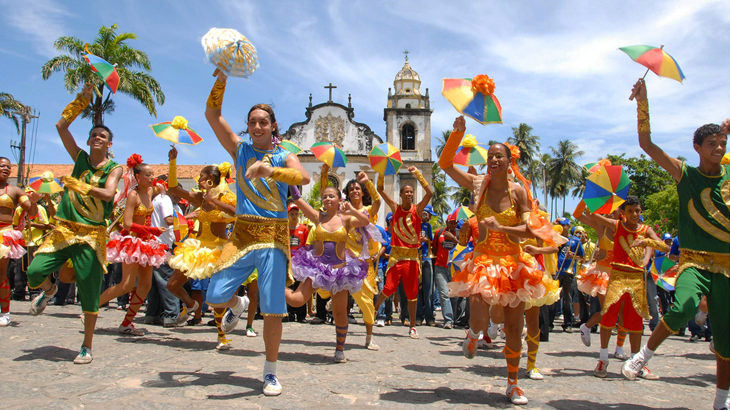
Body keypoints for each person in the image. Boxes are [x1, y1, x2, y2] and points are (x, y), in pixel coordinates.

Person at [621, 79, 729, 410]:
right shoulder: (685, 174)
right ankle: (643, 355)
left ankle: (721, 399)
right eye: (712, 143)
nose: (719, 148)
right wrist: (643, 103)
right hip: (695, 261)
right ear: (697, 147)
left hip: (727, 266)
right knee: (682, 307)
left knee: (726, 337)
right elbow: (647, 144)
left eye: (723, 142)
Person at [204, 70, 310, 396]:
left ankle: (270, 371)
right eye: (253, 122)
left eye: (264, 121)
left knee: (274, 308)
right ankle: (237, 305)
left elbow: (303, 179)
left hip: (275, 238)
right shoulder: (239, 151)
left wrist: (270, 169)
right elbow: (212, 114)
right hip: (243, 234)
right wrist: (221, 78)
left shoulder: (284, 155)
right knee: (214, 295)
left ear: (273, 126)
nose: (258, 126)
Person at [440, 115, 547, 405]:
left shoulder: (519, 192)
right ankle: (473, 334)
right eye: (490, 156)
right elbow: (446, 165)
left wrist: (504, 228)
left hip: (513, 263)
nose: (493, 160)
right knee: (478, 317)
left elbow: (530, 228)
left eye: (499, 156)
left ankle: (513, 384)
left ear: (509, 161)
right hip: (484, 261)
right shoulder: (478, 185)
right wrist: (456, 135)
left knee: (514, 327)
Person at [26, 83, 123, 364]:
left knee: (90, 294)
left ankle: (87, 345)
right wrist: (82, 99)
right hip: (65, 230)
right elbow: (60, 127)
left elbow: (108, 193)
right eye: (94, 134)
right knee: (34, 271)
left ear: (109, 143)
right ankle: (50, 289)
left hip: (91, 236)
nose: (97, 138)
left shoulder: (112, 168)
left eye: (102, 136)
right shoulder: (79, 157)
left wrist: (80, 187)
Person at [165, 146, 242, 350]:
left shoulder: (226, 197)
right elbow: (173, 188)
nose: (198, 180)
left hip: (217, 249)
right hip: (196, 247)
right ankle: (191, 305)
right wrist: (173, 162)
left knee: (215, 295)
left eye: (201, 177)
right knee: (172, 285)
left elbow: (237, 213)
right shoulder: (200, 197)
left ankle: (221, 336)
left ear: (210, 178)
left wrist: (215, 201)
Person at [285, 182, 370, 363]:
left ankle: (340, 349)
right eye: (325, 196)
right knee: (296, 300)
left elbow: (365, 221)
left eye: (332, 196)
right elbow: (298, 199)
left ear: (340, 199)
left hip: (339, 272)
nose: (328, 199)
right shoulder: (318, 217)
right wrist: (291, 181)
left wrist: (351, 210)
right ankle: (273, 284)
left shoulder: (346, 219)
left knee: (340, 313)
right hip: (317, 268)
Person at [587, 195, 664, 380]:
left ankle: (636, 361)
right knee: (608, 318)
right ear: (623, 213)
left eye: (637, 211)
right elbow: (591, 214)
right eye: (630, 211)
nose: (635, 214)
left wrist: (647, 244)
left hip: (638, 279)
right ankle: (603, 359)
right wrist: (602, 198)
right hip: (618, 276)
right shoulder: (616, 226)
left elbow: (664, 246)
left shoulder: (646, 230)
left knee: (636, 322)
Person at [101, 154, 170, 335]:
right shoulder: (133, 195)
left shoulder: (151, 191)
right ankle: (91, 308)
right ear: (137, 177)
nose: (152, 177)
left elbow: (171, 184)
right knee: (126, 284)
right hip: (132, 242)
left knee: (145, 286)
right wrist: (152, 231)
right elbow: (127, 224)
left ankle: (127, 323)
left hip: (147, 244)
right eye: (148, 174)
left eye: (153, 173)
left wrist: (172, 160)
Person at [373, 166, 433, 339]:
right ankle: (376, 309)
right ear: (400, 194)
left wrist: (418, 173)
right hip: (396, 256)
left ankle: (412, 326)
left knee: (412, 292)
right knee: (389, 287)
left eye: (411, 192)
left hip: (412, 257)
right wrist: (382, 173)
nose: (409, 194)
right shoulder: (395, 207)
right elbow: (380, 190)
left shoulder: (418, 210)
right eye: (406, 191)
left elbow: (429, 192)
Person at [576, 208, 629, 360]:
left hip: (621, 274)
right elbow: (578, 214)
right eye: (608, 210)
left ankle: (619, 348)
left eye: (614, 210)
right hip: (603, 274)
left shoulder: (627, 227)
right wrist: (587, 199)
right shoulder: (600, 225)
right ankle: (586, 327)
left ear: (621, 212)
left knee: (623, 312)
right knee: (608, 310)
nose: (610, 213)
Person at [0, 158, 40, 326]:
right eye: (3, 165)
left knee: (2, 274)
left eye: (9, 167)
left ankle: (5, 312)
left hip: (3, 234)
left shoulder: (15, 190)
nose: (6, 169)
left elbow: (30, 210)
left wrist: (34, 201)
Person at [556, 221, 585, 332]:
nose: (562, 227)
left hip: (569, 273)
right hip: (556, 271)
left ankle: (568, 323)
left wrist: (573, 256)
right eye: (560, 225)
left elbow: (581, 257)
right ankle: (548, 323)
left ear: (568, 226)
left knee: (568, 298)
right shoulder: (554, 239)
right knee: (553, 298)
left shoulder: (575, 241)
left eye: (564, 225)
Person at [432, 214, 459, 329]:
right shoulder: (439, 232)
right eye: (451, 222)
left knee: (454, 295)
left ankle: (455, 319)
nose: (453, 225)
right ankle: (448, 320)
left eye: (455, 223)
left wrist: (453, 239)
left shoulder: (459, 234)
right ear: (447, 222)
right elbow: (434, 248)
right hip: (440, 267)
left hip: (454, 268)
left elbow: (463, 247)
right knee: (443, 293)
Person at [287, 201, 309, 323]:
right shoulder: (284, 228)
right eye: (292, 214)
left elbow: (305, 245)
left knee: (299, 287)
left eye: (296, 214)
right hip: (287, 262)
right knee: (289, 287)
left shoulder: (303, 228)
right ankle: (289, 313)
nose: (294, 216)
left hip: (299, 262)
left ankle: (301, 315)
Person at [417, 204, 436, 326]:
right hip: (417, 258)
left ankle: (430, 317)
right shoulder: (415, 224)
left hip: (427, 258)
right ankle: (418, 316)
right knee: (417, 289)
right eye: (428, 214)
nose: (429, 217)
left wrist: (427, 240)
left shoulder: (428, 226)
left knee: (428, 289)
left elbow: (432, 241)